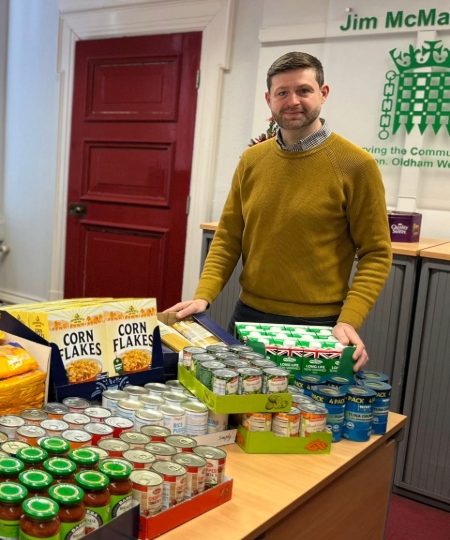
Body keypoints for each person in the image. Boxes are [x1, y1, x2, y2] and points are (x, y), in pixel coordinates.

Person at [167, 52, 392, 372]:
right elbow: (229, 236)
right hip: (247, 316)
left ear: (323, 94)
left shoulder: (356, 165)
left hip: (317, 326)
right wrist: (204, 295)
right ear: (269, 99)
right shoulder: (252, 160)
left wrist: (350, 319)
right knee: (236, 415)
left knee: (303, 419)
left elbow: (376, 253)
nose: (293, 101)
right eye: (282, 93)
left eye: (304, 90)